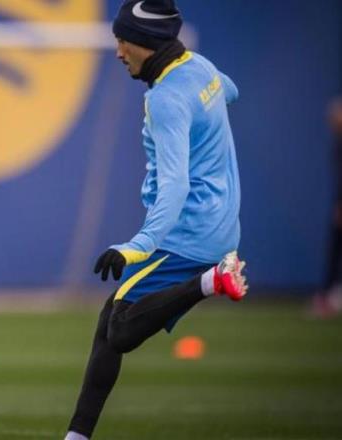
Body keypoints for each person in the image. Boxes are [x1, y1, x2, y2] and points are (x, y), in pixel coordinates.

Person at [64, 1, 247, 439]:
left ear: (144, 43)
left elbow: (175, 186)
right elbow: (231, 90)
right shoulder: (199, 67)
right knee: (109, 325)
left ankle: (210, 281)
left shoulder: (165, 100)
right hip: (220, 225)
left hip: (189, 234)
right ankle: (77, 436)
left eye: (122, 41)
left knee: (120, 330)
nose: (118, 52)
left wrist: (136, 246)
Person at [311, 98, 342, 317]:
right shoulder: (337, 144)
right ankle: (328, 296)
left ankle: (330, 297)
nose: (332, 122)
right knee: (334, 249)